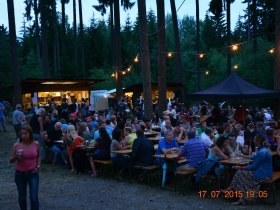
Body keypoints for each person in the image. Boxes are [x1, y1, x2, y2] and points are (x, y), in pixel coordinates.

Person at [222, 134, 273, 205]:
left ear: (258, 141)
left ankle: (234, 192)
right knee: (241, 174)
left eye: (255, 139)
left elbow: (253, 167)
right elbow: (253, 157)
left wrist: (240, 167)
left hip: (263, 174)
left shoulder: (262, 152)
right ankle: (240, 197)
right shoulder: (263, 149)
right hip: (264, 172)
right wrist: (241, 155)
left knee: (240, 173)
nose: (253, 141)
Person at [9, 125, 40, 210]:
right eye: (22, 134)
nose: (23, 135)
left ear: (30, 133)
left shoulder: (36, 144)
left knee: (34, 197)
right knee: (22, 198)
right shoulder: (16, 145)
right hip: (20, 174)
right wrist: (16, 156)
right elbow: (10, 160)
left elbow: (38, 156)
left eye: (25, 133)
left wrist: (38, 166)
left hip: (33, 173)